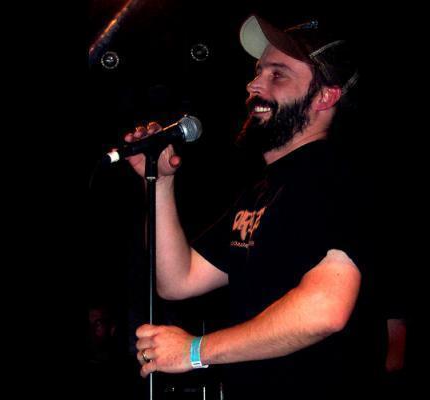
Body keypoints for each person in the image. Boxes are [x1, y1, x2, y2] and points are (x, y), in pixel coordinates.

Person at [125, 14, 361, 399]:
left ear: (326, 96)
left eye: (278, 74)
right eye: (258, 71)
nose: (254, 85)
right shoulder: (263, 191)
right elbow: (178, 279)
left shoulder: (339, 177)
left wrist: (195, 351)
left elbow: (325, 310)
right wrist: (160, 183)